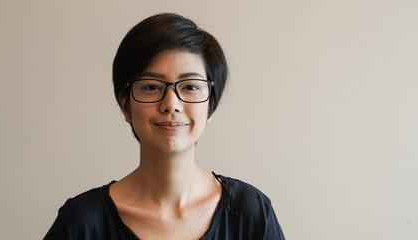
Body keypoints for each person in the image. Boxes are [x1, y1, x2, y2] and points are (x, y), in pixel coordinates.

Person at [44, 13, 285, 240]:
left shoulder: (249, 212)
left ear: (210, 106)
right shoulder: (81, 223)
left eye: (190, 86)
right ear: (125, 105)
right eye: (151, 87)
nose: (171, 104)